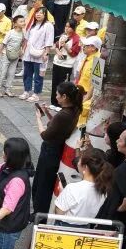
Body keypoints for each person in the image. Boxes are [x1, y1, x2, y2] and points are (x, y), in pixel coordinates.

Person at [32, 82, 84, 216]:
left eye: (57, 94)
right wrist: (47, 113)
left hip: (50, 151)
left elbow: (45, 135)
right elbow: (56, 125)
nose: (56, 97)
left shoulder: (64, 114)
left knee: (43, 183)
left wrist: (38, 118)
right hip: (57, 148)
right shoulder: (75, 109)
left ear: (65, 96)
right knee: (46, 181)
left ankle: (39, 213)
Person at [54, 148, 112, 219]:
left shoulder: (72, 188)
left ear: (85, 167)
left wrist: (62, 192)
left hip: (65, 225)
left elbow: (58, 213)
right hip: (86, 225)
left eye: (79, 159)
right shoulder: (104, 191)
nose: (78, 162)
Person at [20, 7, 54, 102]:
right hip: (28, 52)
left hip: (40, 53)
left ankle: (36, 94)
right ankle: (26, 91)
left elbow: (49, 40)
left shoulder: (48, 25)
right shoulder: (33, 24)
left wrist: (46, 53)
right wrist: (23, 49)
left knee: (38, 75)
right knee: (27, 73)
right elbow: (26, 38)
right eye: (37, 13)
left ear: (45, 14)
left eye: (40, 13)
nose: (38, 14)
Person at [49, 19, 81, 105]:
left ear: (74, 28)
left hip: (66, 65)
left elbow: (73, 53)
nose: (67, 28)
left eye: (69, 27)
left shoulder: (76, 39)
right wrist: (58, 52)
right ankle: (53, 102)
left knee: (63, 86)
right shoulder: (63, 35)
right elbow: (56, 45)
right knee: (54, 83)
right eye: (66, 26)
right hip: (57, 62)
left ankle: (61, 104)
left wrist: (66, 46)